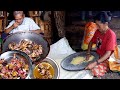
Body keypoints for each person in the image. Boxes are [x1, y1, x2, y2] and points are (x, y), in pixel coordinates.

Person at [85, 11, 117, 77]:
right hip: (98, 55)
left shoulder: (111, 35)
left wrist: (95, 63)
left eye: (98, 25)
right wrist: (88, 53)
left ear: (106, 24)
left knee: (94, 71)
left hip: (108, 59)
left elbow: (108, 53)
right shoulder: (98, 32)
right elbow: (91, 42)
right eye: (96, 25)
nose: (97, 27)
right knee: (86, 63)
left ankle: (106, 68)